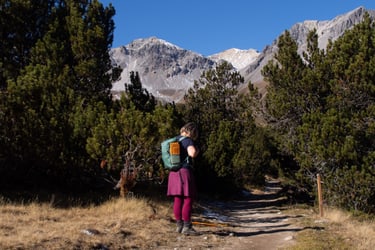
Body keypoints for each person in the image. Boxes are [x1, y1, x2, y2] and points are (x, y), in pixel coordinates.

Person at [167, 122, 200, 235]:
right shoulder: (187, 140)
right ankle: (187, 227)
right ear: (192, 132)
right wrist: (196, 150)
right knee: (188, 198)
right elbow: (192, 153)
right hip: (184, 172)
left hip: (173, 172)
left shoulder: (174, 140)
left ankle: (179, 226)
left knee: (178, 199)